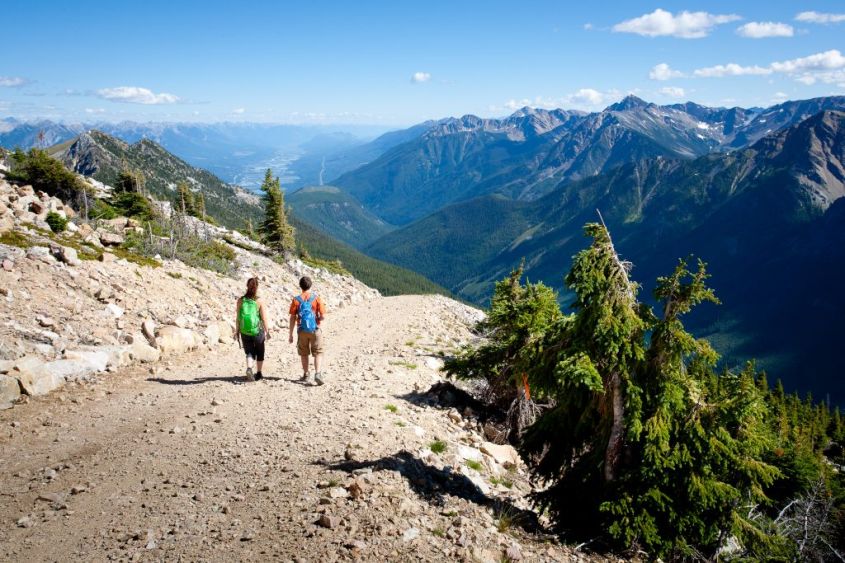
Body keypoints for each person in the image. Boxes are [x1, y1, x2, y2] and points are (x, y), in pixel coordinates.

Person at [288, 276, 326, 385]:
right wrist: (317, 319)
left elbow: (292, 318)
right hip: (314, 329)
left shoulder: (296, 300)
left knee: (304, 353)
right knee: (318, 352)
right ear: (311, 285)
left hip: (301, 330)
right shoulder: (317, 298)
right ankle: (317, 373)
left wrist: (290, 334)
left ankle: (306, 374)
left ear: (300, 286)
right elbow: (323, 316)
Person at [234, 277, 270, 381]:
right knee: (260, 352)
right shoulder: (259, 301)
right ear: (257, 287)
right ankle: (258, 373)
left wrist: (237, 331)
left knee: (249, 351)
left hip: (244, 331)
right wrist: (267, 331)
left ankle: (249, 368)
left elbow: (238, 318)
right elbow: (264, 318)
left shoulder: (240, 300)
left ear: (247, 286)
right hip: (257, 331)